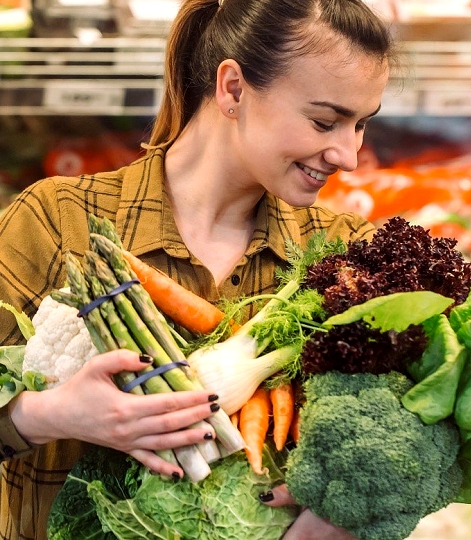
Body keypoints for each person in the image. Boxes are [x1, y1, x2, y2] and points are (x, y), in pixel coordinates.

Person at [0, 0, 395, 537]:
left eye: (361, 125)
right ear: (232, 88)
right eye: (325, 121)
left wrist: (342, 505)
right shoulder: (56, 222)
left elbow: (420, 437)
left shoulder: (351, 258)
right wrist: (46, 416)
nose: (348, 155)